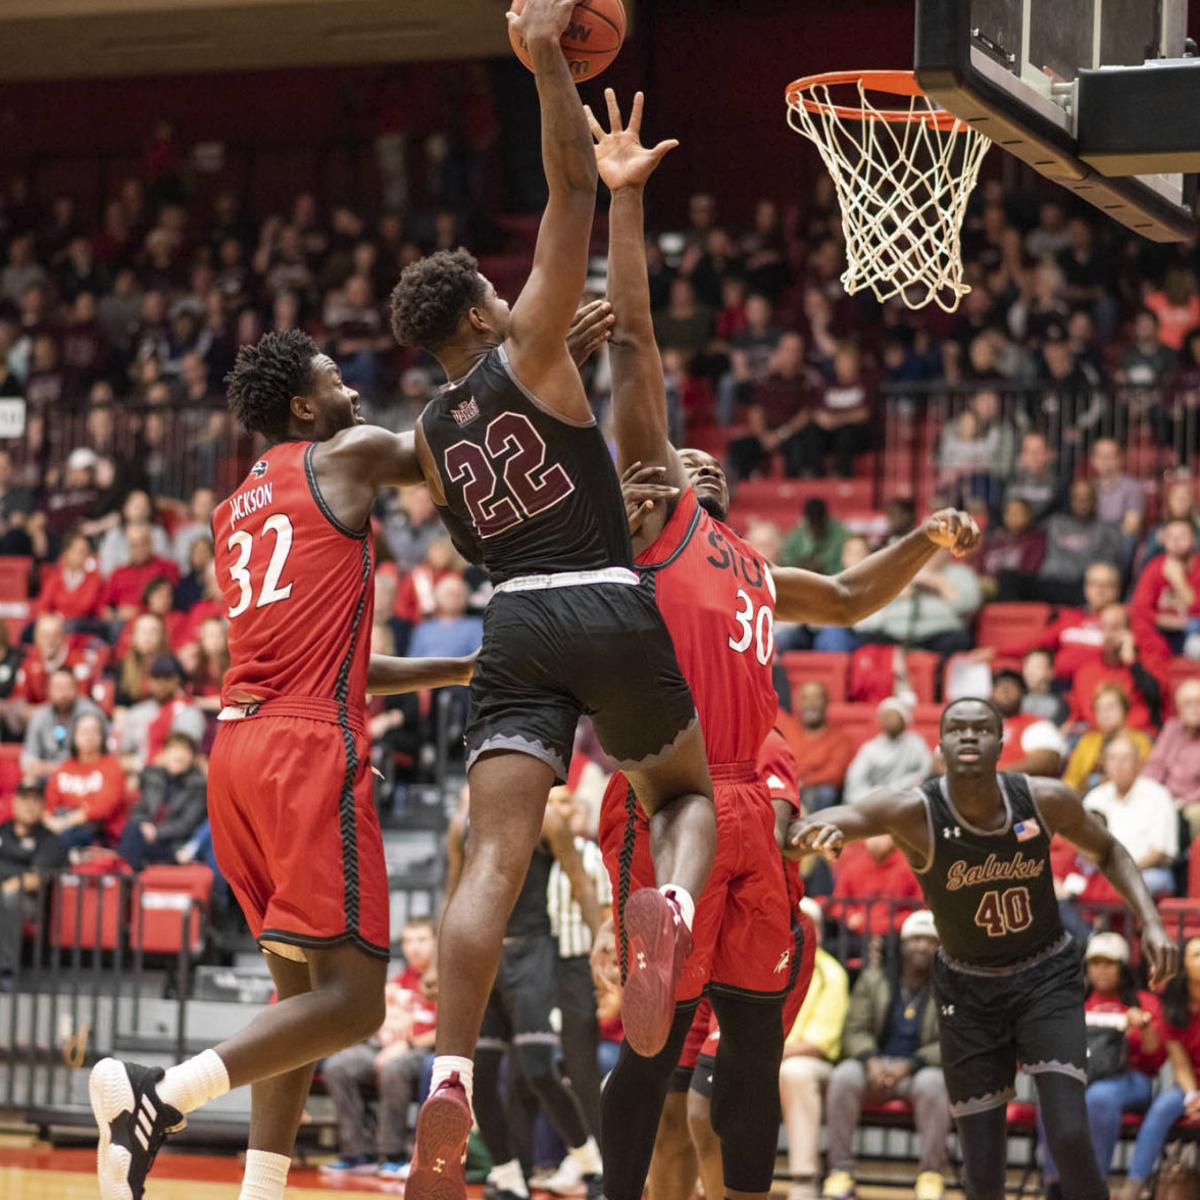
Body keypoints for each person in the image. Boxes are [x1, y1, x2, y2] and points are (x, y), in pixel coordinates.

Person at [584, 89, 978, 1200]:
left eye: (706, 465)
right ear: (652, 484)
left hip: (752, 813)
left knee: (753, 1048)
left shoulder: (752, 565)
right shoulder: (656, 527)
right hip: (672, 799)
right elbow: (638, 351)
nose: (695, 463)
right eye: (677, 460)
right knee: (656, 1052)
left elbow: (848, 596)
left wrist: (924, 540)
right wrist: (625, 203)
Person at [388, 36, 722, 1199]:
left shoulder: (430, 433)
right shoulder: (531, 335)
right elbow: (569, 186)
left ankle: (446, 1078)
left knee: (491, 858)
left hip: (514, 621)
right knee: (680, 795)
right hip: (603, 597)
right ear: (488, 307)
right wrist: (546, 65)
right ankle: (667, 906)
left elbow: (482, 547)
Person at [90, 331, 476, 1199]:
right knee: (355, 1003)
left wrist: (458, 667)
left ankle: (259, 1191)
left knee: (298, 1003)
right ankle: (160, 1098)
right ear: (304, 406)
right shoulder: (348, 454)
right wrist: (507, 353)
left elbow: (331, 658)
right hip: (304, 750)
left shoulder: (234, 509)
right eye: (337, 379)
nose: (354, 389)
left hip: (237, 749)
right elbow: (438, 447)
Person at [788, 697, 1179, 1200]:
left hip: (1045, 978)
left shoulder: (1044, 798)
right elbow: (808, 830)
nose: (969, 736)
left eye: (981, 729)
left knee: (1068, 1135)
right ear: (939, 745)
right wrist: (806, 835)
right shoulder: (912, 811)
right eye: (957, 729)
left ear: (1001, 743)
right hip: (968, 991)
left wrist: (1152, 922)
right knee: (983, 1168)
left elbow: (1107, 849)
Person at [444, 787, 606, 1200]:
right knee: (479, 1075)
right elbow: (453, 893)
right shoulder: (461, 826)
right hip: (483, 955)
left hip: (533, 951)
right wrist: (439, 963)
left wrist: (601, 947)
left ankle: (591, 1163)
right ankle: (508, 1174)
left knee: (538, 1069)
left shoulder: (546, 819)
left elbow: (581, 884)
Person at [822, 910, 951, 1200]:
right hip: (874, 1067)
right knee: (843, 1077)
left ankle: (931, 1175)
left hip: (918, 1071)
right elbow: (853, 1029)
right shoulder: (875, 979)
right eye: (915, 939)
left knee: (934, 1084)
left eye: (929, 941)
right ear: (902, 945)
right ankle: (840, 1172)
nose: (921, 946)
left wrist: (911, 1064)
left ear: (939, 948)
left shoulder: (948, 987)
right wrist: (870, 1060)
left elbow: (951, 1041)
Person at [1038, 932, 1165, 1195]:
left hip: (1131, 1079)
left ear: (1123, 968)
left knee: (1099, 1098)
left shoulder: (1144, 1002)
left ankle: (1092, 1187)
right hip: (1081, 1077)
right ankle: (1056, 1184)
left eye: (1109, 963)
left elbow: (1155, 1058)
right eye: (1095, 963)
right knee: (1052, 1096)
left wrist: (1143, 1026)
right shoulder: (1074, 1002)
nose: (1102, 970)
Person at [319, 919, 439, 1180]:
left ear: (435, 943)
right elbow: (374, 1021)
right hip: (382, 1047)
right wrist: (380, 1029)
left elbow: (448, 1030)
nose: (414, 947)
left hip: (424, 1051)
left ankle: (392, 1154)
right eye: (408, 941)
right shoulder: (398, 981)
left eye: (421, 940)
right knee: (338, 1066)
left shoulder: (443, 982)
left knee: (393, 1069)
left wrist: (407, 1044)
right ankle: (357, 1153)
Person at [779, 897, 850, 1200]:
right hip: (767, 1057)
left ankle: (804, 1176)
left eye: (807, 924)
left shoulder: (831, 973)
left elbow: (819, 1043)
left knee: (795, 1072)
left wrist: (767, 1054)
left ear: (818, 932)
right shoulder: (770, 964)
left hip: (810, 1064)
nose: (798, 929)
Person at [1119, 937, 1200, 1200]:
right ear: (1183, 966)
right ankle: (1134, 1186)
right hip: (1189, 1085)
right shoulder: (1173, 1010)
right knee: (1163, 1106)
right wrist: (1193, 1097)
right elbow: (1180, 1065)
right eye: (1197, 955)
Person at [1083, 734, 1178, 898]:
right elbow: (1083, 846)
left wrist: (1123, 874)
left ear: (1139, 763)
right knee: (1071, 885)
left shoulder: (1158, 795)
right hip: (1104, 872)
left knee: (1139, 883)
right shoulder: (1094, 798)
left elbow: (1159, 852)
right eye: (1112, 758)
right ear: (1104, 763)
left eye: (1126, 758)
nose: (1119, 764)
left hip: (1148, 871)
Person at [0, 784, 67, 992]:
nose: (29, 806)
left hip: (28, 901)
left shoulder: (49, 840)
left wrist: (6, 887)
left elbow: (35, 879)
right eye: (25, 800)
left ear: (43, 806)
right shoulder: (3, 831)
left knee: (8, 898)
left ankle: (5, 971)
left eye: (35, 801)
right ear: (14, 802)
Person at [115, 732, 208, 870]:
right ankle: (129, 874)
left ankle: (126, 876)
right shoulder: (152, 776)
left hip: (175, 844)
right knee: (133, 830)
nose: (179, 755)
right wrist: (144, 826)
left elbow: (187, 824)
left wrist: (157, 832)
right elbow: (139, 810)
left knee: (131, 841)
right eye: (174, 749)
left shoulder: (198, 785)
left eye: (185, 750)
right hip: (145, 837)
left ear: (193, 757)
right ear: (164, 754)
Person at [43, 710, 127, 852]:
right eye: (84, 731)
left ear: (102, 736)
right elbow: (49, 804)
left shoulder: (112, 766)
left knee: (63, 840)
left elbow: (103, 808)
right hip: (62, 826)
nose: (89, 736)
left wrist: (66, 822)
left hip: (98, 832)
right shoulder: (64, 768)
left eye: (94, 731)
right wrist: (48, 821)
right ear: (74, 736)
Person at [1067, 604, 1160, 732]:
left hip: (1135, 735)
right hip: (1095, 736)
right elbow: (1078, 715)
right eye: (1103, 627)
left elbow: (1155, 698)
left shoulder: (1147, 664)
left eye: (1115, 628)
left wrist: (1131, 662)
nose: (1108, 634)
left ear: (1129, 632)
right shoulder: (1085, 671)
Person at [117, 655, 207, 773]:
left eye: (167, 677)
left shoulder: (189, 712)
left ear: (177, 680)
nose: (161, 683)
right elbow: (124, 754)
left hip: (178, 776)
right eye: (156, 677)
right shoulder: (136, 712)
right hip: (140, 775)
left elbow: (183, 755)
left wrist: (144, 765)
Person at [1062, 685, 1152, 794]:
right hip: (1086, 798)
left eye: (1110, 707)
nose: (1104, 714)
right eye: (1099, 709)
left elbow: (1146, 777)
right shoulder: (1087, 741)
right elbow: (1070, 780)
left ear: (1124, 709)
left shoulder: (1140, 741)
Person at [21, 667, 104, 782]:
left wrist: (54, 768)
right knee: (28, 781)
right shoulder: (40, 715)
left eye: (67, 687)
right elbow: (29, 754)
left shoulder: (89, 714)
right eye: (58, 687)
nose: (63, 693)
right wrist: (33, 765)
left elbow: (96, 755)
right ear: (48, 690)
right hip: (45, 775)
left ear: (76, 689)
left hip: (80, 775)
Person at [843, 698, 932, 804]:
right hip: (876, 801)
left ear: (905, 720)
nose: (889, 720)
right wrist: (881, 796)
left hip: (908, 800)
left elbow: (927, 770)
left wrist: (909, 784)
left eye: (894, 715)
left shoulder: (915, 743)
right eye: (886, 716)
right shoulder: (870, 748)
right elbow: (855, 782)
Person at [788, 681, 855, 812]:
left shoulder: (840, 738)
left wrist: (804, 781)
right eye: (805, 698)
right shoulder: (787, 730)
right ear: (798, 703)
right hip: (789, 786)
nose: (811, 704)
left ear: (826, 702)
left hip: (816, 792)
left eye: (816, 698)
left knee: (826, 792)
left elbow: (835, 775)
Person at [1143, 678, 1200, 829]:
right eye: (1188, 703)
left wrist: (1184, 801)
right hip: (1165, 798)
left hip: (1193, 802)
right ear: (1179, 708)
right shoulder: (1171, 728)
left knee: (1195, 814)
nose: (1195, 708)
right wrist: (1147, 792)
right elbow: (1155, 765)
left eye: (1198, 702)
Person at [990, 671, 1068, 777]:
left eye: (1012, 686)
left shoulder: (1038, 725)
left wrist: (996, 776)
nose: (1005, 690)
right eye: (1000, 686)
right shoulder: (980, 728)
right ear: (991, 694)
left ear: (1023, 693)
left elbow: (1048, 761)